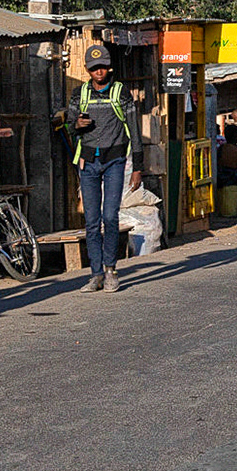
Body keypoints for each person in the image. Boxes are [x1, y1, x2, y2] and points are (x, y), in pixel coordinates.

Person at [71, 43, 143, 293]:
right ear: (87, 70)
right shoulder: (79, 94)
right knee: (91, 221)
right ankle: (96, 274)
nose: (99, 72)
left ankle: (111, 270)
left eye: (102, 67)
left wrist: (138, 167)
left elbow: (134, 129)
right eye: (94, 68)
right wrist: (76, 125)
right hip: (88, 163)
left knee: (110, 216)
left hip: (115, 161)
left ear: (109, 67)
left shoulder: (121, 92)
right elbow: (69, 125)